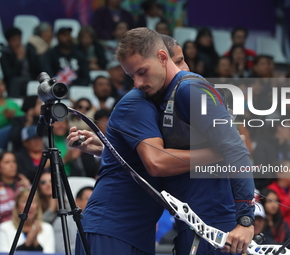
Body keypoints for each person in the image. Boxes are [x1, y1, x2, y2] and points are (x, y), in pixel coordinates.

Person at [67, 32, 245, 255]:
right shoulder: (138, 102)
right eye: (177, 62)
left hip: (138, 232)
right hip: (112, 228)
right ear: (162, 60)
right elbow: (156, 162)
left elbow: (136, 158)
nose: (184, 69)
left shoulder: (167, 103)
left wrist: (106, 148)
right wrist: (219, 153)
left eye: (182, 61)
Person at [0, 188, 55, 253]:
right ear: (17, 206)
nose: (29, 206)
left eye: (33, 202)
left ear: (37, 207)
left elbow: (49, 253)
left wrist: (35, 242)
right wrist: (28, 243)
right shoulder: (4, 228)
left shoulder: (47, 228)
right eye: (24, 201)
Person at [0, 151, 31, 223]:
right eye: (7, 162)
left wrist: (29, 187)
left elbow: (36, 205)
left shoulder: (23, 183)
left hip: (26, 223)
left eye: (14, 161)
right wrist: (17, 205)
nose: (12, 165)